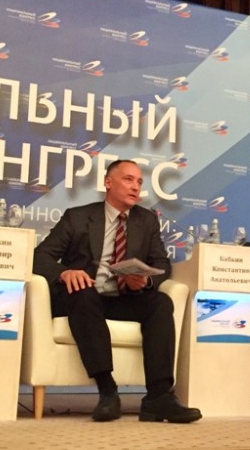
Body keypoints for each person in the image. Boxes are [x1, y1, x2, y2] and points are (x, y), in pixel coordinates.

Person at [33, 159, 201, 423]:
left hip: (123, 298)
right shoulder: (77, 217)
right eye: (128, 179)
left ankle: (158, 397)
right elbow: (39, 256)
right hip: (83, 298)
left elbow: (161, 264)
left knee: (161, 303)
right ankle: (107, 391)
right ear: (108, 183)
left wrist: (144, 281)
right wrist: (65, 272)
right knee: (84, 293)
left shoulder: (147, 220)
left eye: (139, 182)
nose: (135, 187)